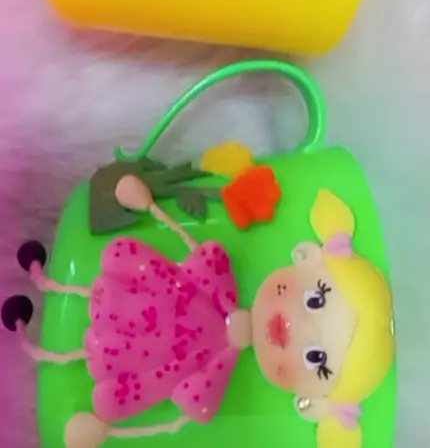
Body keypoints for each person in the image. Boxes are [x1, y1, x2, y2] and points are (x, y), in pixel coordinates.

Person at [2, 178, 394, 448]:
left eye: (316, 358)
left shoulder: (215, 375)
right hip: (161, 290)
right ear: (306, 257)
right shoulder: (216, 278)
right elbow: (197, 254)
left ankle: (46, 334)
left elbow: (186, 409)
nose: (295, 327)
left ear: (313, 400)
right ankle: (48, 289)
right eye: (316, 299)